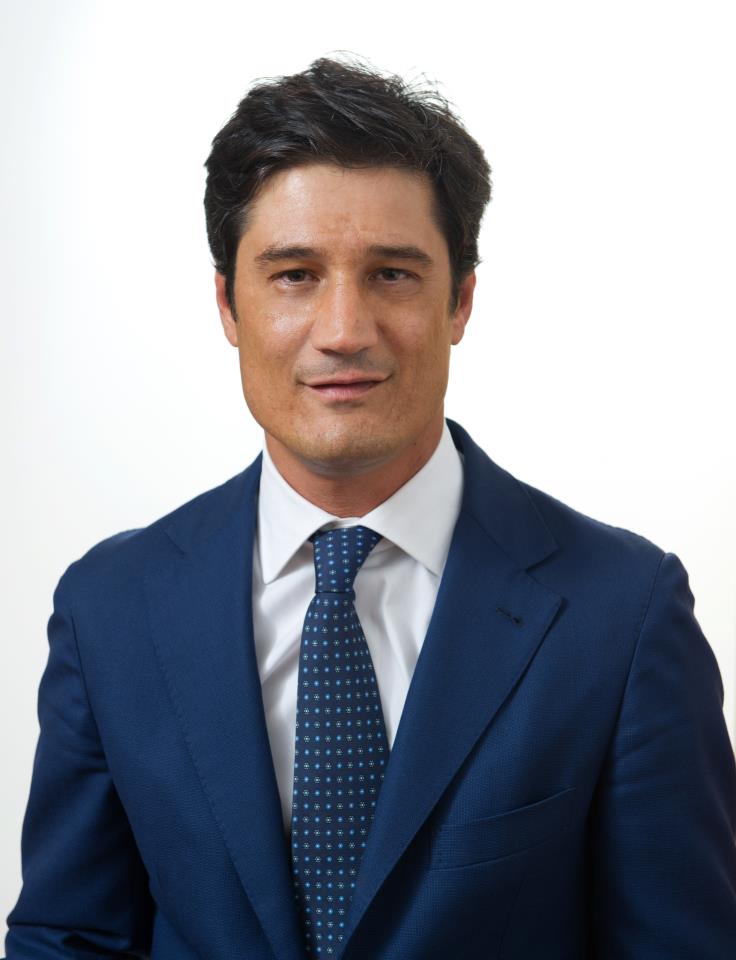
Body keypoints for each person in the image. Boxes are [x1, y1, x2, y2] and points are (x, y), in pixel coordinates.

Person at [4, 55, 736, 960]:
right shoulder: (110, 607)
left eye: (392, 274)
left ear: (460, 301)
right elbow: (68, 938)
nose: (344, 331)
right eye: (294, 275)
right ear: (228, 305)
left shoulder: (622, 615)